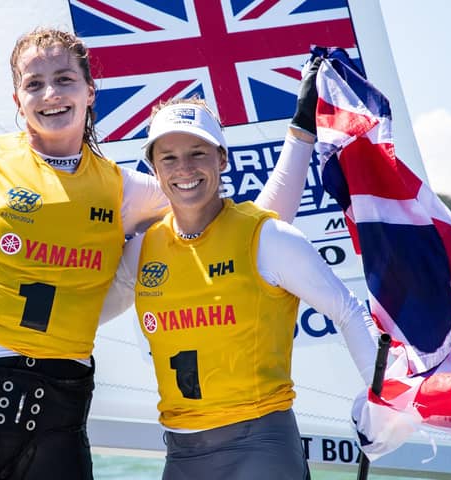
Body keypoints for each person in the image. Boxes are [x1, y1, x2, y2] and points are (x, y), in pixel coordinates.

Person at [0, 27, 321, 480]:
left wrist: (300, 135)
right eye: (34, 84)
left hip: (58, 406)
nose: (51, 94)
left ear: (90, 91)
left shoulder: (125, 191)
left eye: (64, 80)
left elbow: (252, 230)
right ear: (18, 101)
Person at [98, 95, 379, 480]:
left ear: (222, 159)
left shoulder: (269, 237)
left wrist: (380, 402)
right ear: (154, 169)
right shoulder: (144, 250)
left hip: (261, 446)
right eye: (169, 158)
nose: (184, 168)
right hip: (181, 455)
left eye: (198, 153)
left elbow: (348, 310)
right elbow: (85, 319)